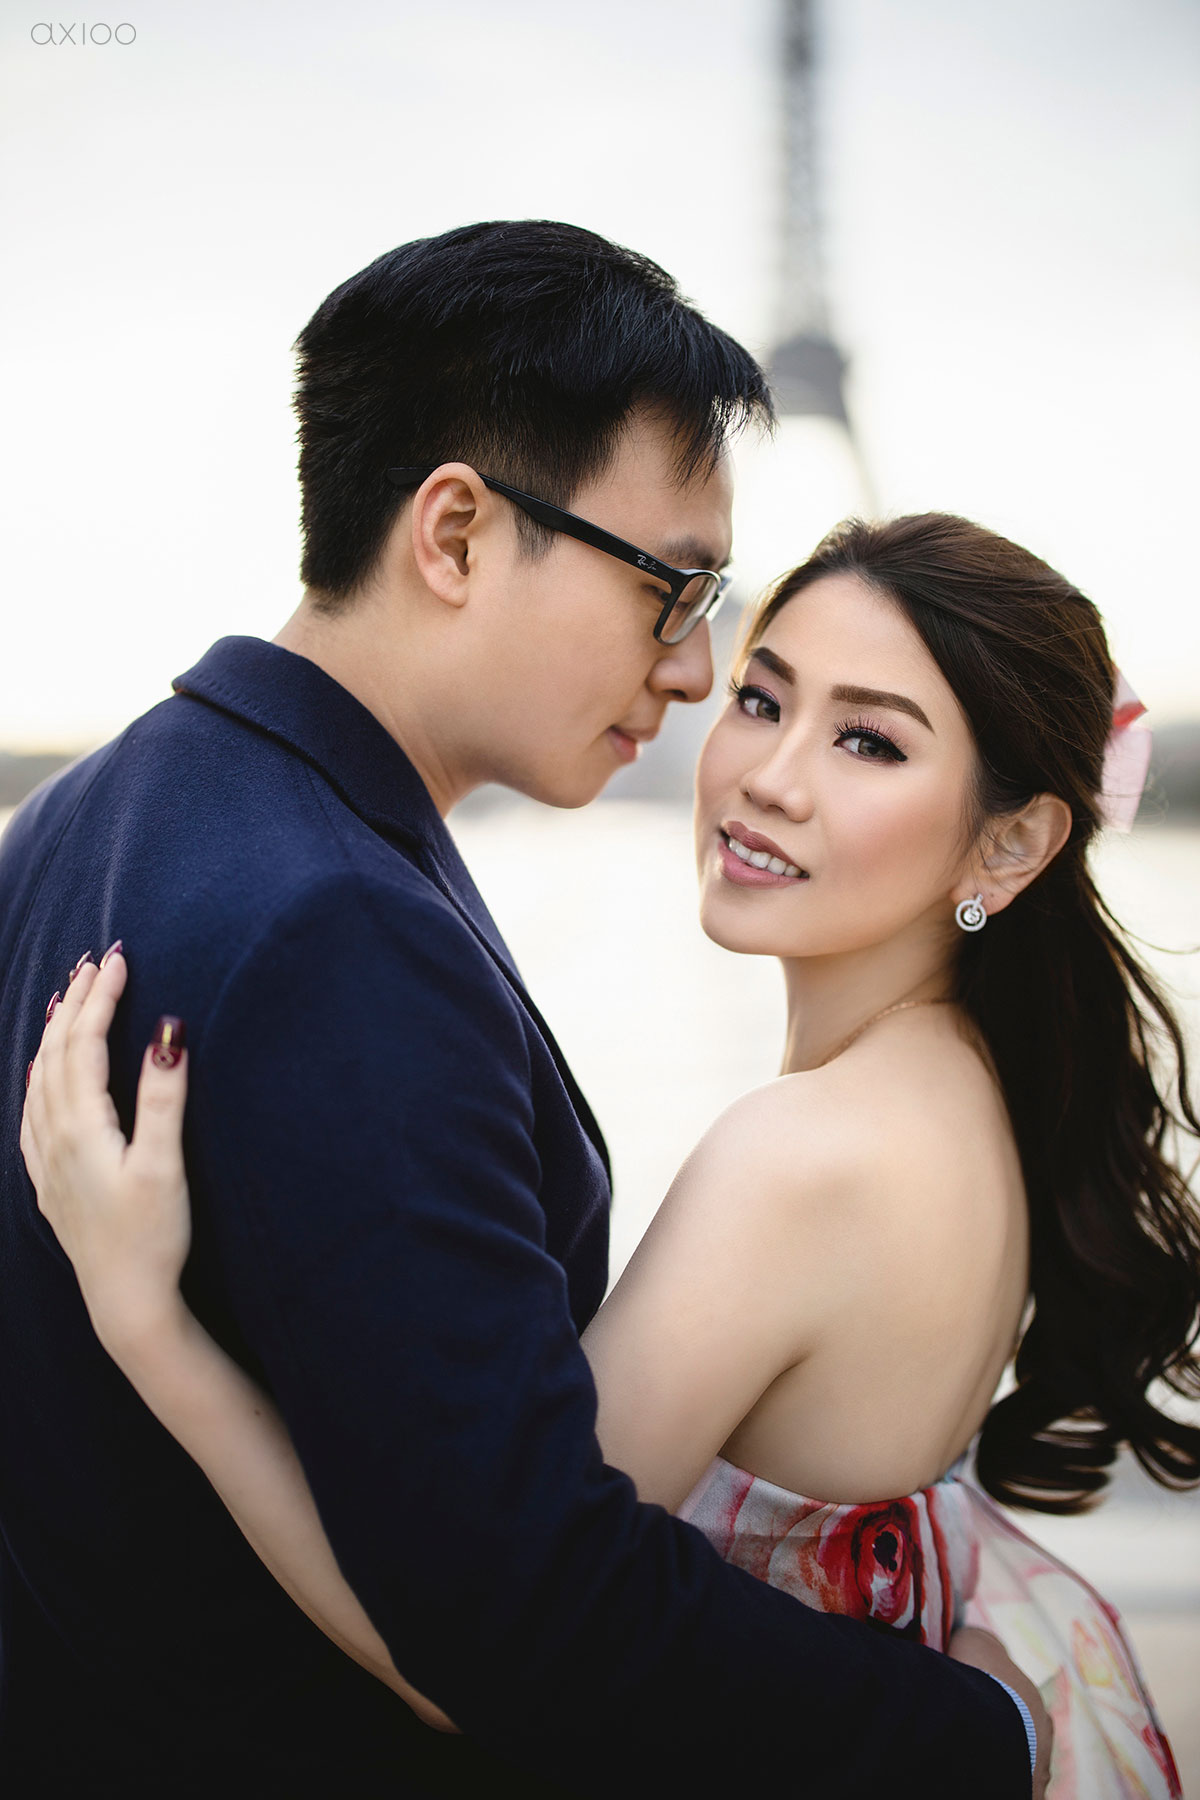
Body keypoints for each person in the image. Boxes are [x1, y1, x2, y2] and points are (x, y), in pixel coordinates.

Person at [0, 222, 1041, 1798]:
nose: (693, 674)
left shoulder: (78, 821)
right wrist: (984, 1735)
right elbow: (532, 1619)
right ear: (457, 535)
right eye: (675, 589)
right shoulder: (339, 932)